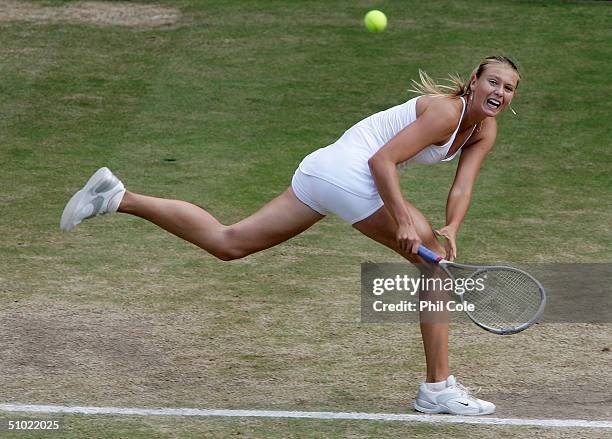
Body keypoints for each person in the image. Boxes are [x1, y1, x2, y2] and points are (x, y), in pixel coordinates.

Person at [61, 55, 520, 416]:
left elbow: (462, 185)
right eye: (493, 82)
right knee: (433, 263)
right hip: (349, 172)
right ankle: (437, 389)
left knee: (230, 242)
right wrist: (402, 219)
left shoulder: (485, 129)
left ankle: (117, 197)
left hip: (324, 169)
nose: (500, 91)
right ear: (474, 80)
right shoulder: (445, 112)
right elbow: (382, 162)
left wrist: (453, 225)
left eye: (509, 88)